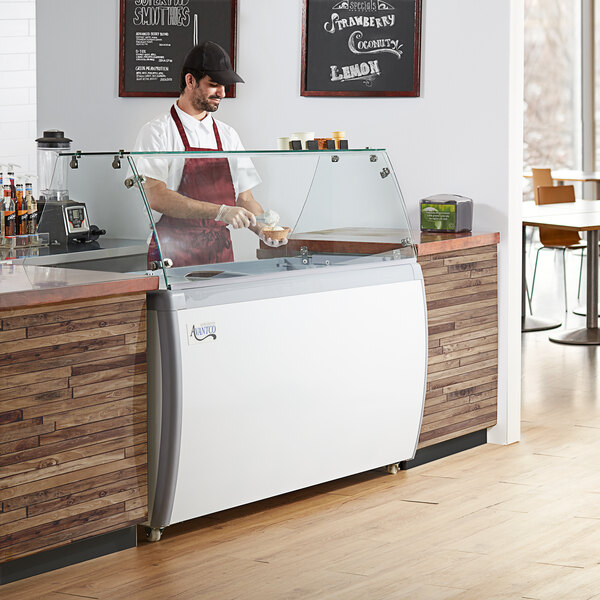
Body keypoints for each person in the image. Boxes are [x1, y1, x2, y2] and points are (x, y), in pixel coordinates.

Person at [131, 41, 286, 268]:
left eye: (224, 86)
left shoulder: (227, 135)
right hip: (172, 252)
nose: (222, 93)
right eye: (214, 85)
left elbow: (245, 199)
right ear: (190, 81)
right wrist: (220, 211)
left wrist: (265, 228)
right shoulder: (156, 132)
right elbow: (157, 196)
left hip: (219, 254)